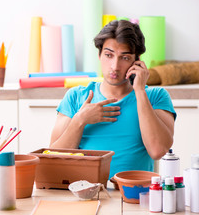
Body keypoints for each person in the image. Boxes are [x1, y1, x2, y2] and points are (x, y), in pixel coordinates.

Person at [50, 20, 176, 179]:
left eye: (124, 57)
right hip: (85, 193)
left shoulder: (156, 96)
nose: (115, 66)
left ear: (136, 61)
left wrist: (140, 91)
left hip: (134, 193)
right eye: (109, 55)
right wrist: (80, 120)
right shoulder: (76, 96)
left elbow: (158, 150)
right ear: (99, 55)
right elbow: (54, 157)